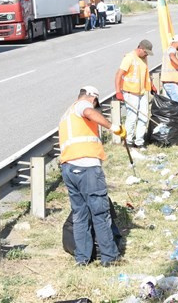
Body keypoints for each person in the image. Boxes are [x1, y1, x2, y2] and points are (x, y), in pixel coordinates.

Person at [58, 85, 127, 266]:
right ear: (93, 98)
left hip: (69, 168)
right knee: (100, 213)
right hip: (87, 167)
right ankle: (110, 258)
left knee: (80, 215)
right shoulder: (82, 105)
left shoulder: (66, 115)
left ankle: (83, 258)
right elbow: (89, 111)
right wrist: (114, 127)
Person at [114, 40, 155, 149]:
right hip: (130, 92)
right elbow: (119, 74)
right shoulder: (129, 58)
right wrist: (118, 91)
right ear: (140, 48)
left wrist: (152, 85)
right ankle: (128, 141)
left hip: (141, 92)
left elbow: (146, 73)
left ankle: (139, 142)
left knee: (144, 117)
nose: (147, 55)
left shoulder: (144, 58)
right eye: (145, 52)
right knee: (132, 118)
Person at [161, 35, 178, 104]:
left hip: (167, 82)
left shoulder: (167, 50)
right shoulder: (172, 50)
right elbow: (172, 56)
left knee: (171, 106)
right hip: (172, 83)